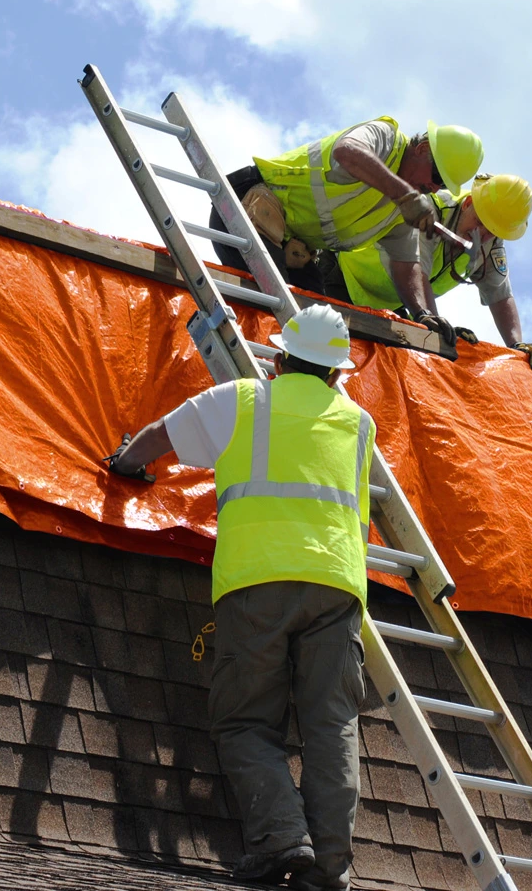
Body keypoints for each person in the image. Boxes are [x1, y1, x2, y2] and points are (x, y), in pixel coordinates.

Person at [107, 304, 376, 891]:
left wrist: (125, 465)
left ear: (280, 358)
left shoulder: (246, 400)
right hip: (337, 588)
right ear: (335, 373)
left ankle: (283, 837)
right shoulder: (359, 423)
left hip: (256, 582)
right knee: (332, 729)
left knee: (247, 724)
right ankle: (328, 873)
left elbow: (159, 438)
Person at [209, 118, 483, 346]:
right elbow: (347, 151)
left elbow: (405, 264)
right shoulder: (385, 137)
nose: (434, 189)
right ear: (422, 149)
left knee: (318, 328)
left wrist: (422, 315)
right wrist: (404, 195)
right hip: (250, 206)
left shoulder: (402, 210)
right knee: (276, 311)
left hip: (291, 247)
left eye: (443, 185)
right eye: (436, 177)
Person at [328, 173, 532, 373]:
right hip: (342, 276)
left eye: (491, 232)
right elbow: (415, 269)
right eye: (480, 222)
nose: (480, 234)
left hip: (388, 305)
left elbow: (500, 295)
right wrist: (434, 323)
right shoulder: (430, 210)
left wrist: (517, 347)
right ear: (469, 203)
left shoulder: (490, 243)